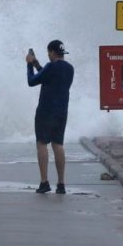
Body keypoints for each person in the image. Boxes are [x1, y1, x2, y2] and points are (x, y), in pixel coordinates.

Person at [26, 40, 74, 194]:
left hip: (46, 111)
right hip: (61, 111)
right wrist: (37, 66)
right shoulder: (69, 68)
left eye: (48, 52)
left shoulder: (51, 66)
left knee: (42, 144)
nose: (48, 55)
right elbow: (49, 79)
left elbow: (32, 81)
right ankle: (61, 184)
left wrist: (28, 65)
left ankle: (44, 182)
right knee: (58, 145)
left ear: (52, 52)